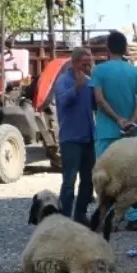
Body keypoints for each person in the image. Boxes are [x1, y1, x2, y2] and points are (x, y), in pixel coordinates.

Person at [89, 30, 137, 231]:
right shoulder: (135, 71)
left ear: (107, 48)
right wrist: (131, 120)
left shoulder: (99, 71)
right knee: (131, 175)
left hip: (107, 130)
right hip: (130, 133)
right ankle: (134, 215)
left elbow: (98, 98)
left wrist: (116, 119)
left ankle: (106, 216)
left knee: (105, 175)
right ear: (125, 49)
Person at [52, 47, 96, 224]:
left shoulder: (90, 81)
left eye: (89, 64)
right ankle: (64, 219)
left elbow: (96, 105)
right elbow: (62, 102)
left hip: (88, 138)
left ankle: (80, 215)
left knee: (88, 180)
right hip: (70, 139)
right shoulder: (63, 81)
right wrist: (76, 88)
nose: (87, 67)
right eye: (84, 64)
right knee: (69, 181)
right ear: (74, 63)